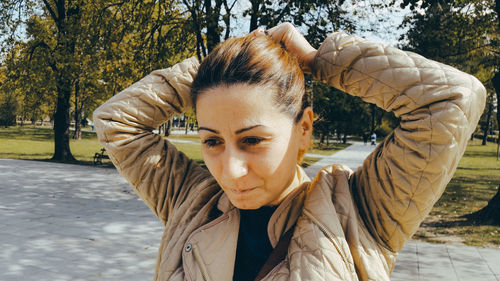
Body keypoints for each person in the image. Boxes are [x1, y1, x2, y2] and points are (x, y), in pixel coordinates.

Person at [93, 23, 485, 281]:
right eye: (212, 140)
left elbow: (453, 99)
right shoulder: (191, 201)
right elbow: (114, 120)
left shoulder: (362, 210)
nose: (230, 171)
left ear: (304, 129)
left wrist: (318, 60)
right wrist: (219, 63)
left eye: (252, 140)